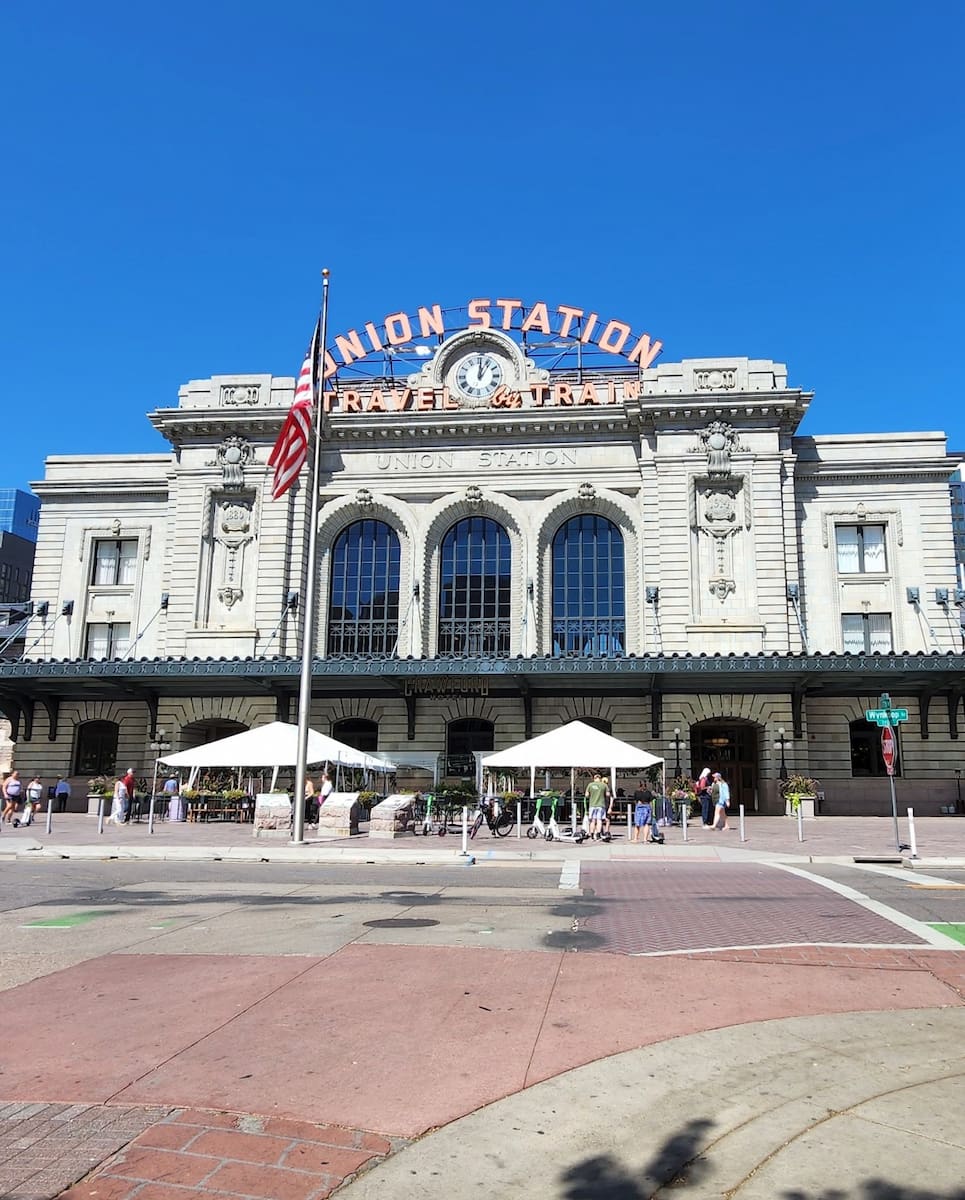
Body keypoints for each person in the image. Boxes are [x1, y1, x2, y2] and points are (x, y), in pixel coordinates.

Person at [584, 771, 609, 840]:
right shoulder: (604, 785)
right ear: (600, 778)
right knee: (599, 820)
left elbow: (586, 795)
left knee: (592, 820)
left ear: (594, 778)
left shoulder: (590, 785)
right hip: (601, 805)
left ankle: (591, 834)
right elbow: (608, 795)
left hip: (592, 805)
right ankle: (598, 834)